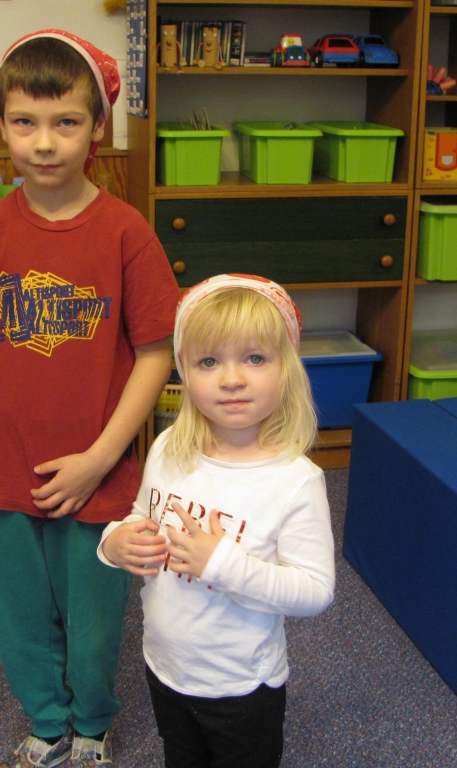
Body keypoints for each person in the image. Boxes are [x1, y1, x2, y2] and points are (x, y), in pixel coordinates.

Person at [0, 29, 181, 768]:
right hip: (9, 468)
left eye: (66, 122)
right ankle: (47, 723)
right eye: (25, 121)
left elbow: (156, 352)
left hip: (98, 473)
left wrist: (102, 458)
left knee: (94, 618)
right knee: (18, 613)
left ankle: (92, 725)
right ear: (1, 124)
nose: (44, 142)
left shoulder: (126, 233)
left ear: (97, 126)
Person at [100, 274, 337, 768]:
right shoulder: (169, 447)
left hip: (242, 686)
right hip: (165, 665)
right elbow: (141, 517)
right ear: (184, 370)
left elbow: (315, 591)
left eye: (255, 358)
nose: (232, 379)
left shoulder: (294, 480)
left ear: (286, 368)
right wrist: (115, 541)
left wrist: (223, 565)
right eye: (209, 361)